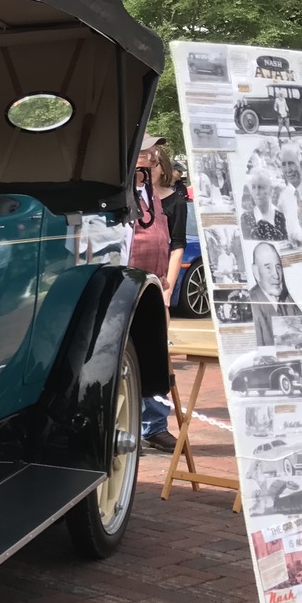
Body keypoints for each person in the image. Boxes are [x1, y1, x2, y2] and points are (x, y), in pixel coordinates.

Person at [129, 136, 179, 451]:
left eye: (153, 153)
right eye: (146, 151)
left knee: (155, 353)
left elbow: (168, 238)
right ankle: (133, 425)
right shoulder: (121, 192)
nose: (151, 156)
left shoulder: (151, 192)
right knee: (131, 355)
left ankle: (154, 424)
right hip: (128, 285)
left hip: (152, 284)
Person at [248, 241, 302, 347]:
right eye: (268, 267)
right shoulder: (251, 304)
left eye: (278, 267)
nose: (276, 275)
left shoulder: (287, 298)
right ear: (256, 272)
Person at [241, 167, 287, 242]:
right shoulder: (245, 219)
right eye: (253, 187)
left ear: (271, 191)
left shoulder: (281, 218)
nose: (257, 192)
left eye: (261, 187)